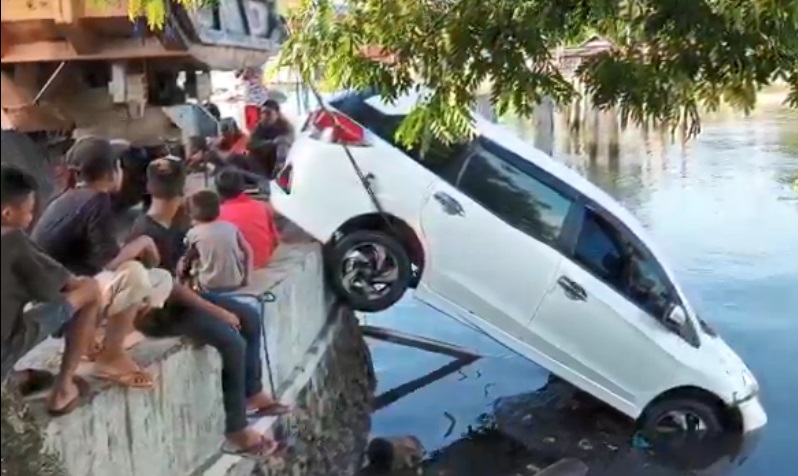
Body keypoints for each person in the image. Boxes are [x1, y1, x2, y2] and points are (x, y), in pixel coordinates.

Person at [127, 158, 289, 457]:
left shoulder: (177, 222)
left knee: (250, 316)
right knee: (232, 340)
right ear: (182, 187)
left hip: (185, 299)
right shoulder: (146, 232)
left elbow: (185, 271)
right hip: (160, 312)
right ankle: (237, 429)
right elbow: (169, 287)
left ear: (150, 187)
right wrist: (217, 312)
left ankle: (252, 392)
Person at [31, 137, 174, 388]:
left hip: (57, 297)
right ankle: (111, 355)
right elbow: (110, 264)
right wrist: (141, 243)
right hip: (62, 307)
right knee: (134, 273)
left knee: (160, 280)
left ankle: (90, 342)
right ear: (113, 171)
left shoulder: (69, 196)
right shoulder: (97, 200)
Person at [1, 165, 101, 415]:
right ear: (7, 213)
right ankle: (63, 389)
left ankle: (17, 378)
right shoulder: (12, 240)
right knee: (90, 291)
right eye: (29, 211)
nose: (30, 218)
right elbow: (61, 288)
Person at [185, 190, 253, 292]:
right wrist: (247, 277)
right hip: (235, 282)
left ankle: (191, 291)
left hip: (208, 285)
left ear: (191, 214)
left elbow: (188, 258)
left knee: (189, 261)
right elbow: (248, 251)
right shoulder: (231, 227)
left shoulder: (193, 234)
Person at [216, 167, 280, 269]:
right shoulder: (262, 207)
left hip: (234, 269)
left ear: (218, 190)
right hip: (262, 261)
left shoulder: (216, 214)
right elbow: (275, 241)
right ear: (243, 187)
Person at [248, 99, 294, 179]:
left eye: (268, 113)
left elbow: (288, 141)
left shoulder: (286, 127)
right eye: (263, 113)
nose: (264, 116)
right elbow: (251, 144)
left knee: (282, 145)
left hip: (277, 163)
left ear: (277, 114)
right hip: (261, 163)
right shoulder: (260, 127)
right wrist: (270, 143)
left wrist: (277, 143)